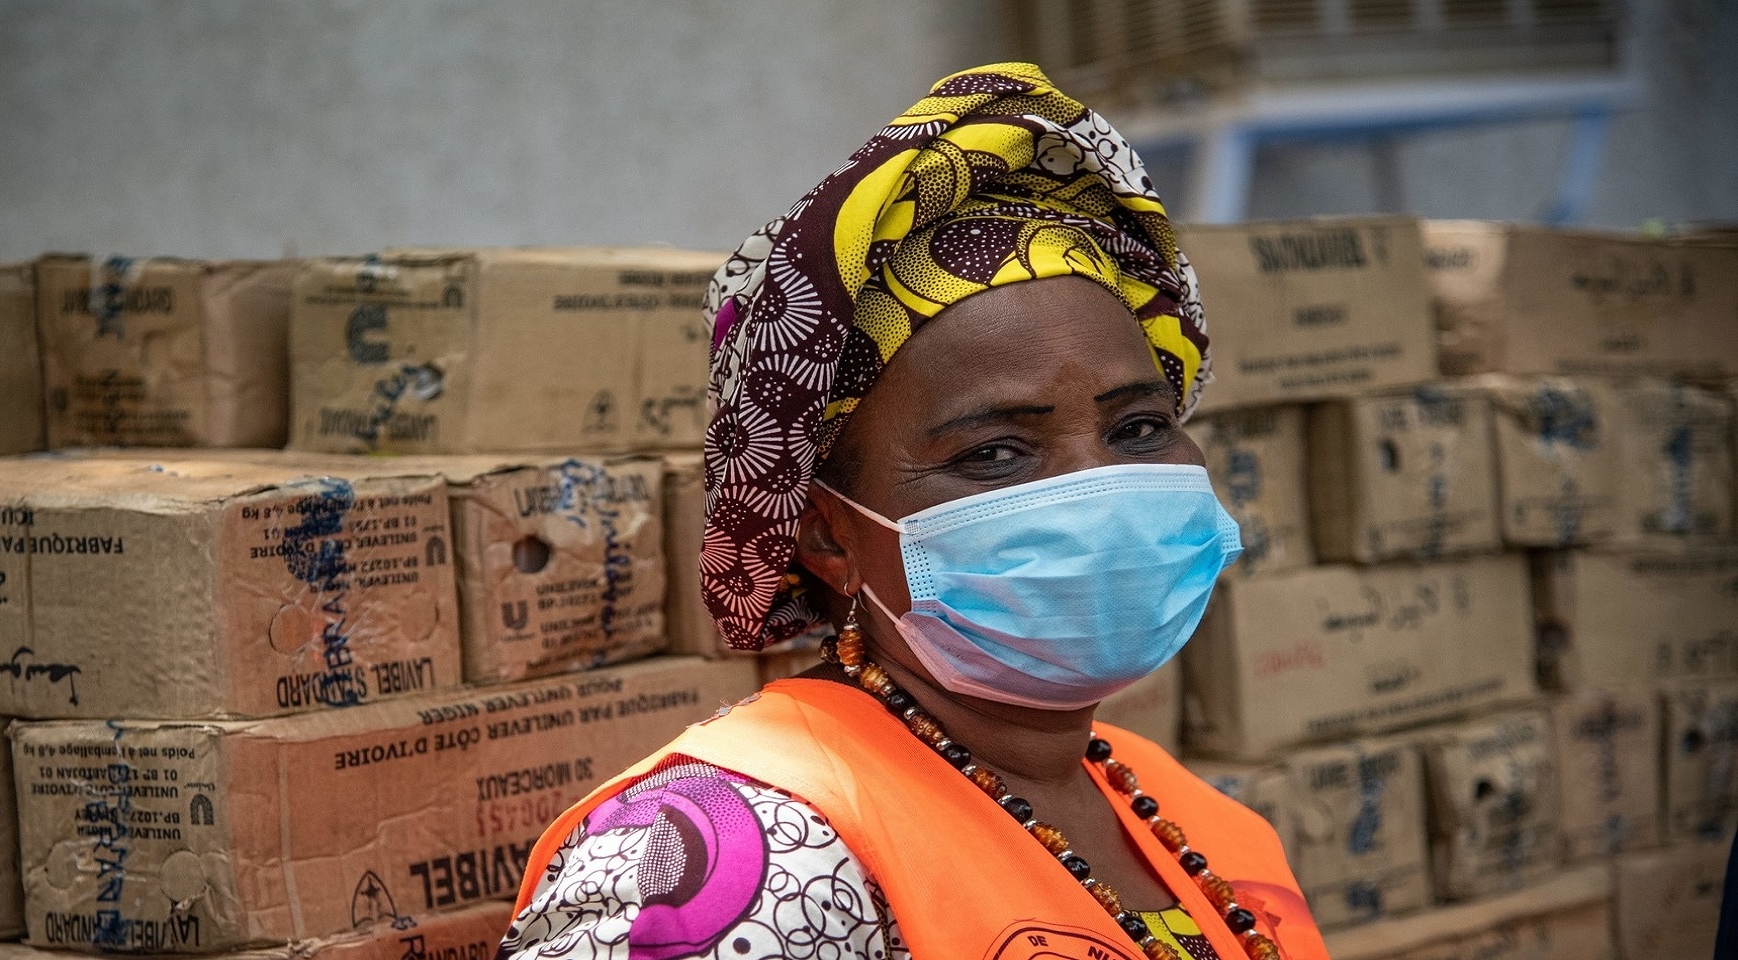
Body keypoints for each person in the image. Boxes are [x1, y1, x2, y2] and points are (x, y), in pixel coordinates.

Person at [498, 63, 1328, 960]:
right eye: (994, 453)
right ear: (825, 532)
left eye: (1137, 427)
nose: (1098, 487)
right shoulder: (745, 856)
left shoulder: (1179, 810)